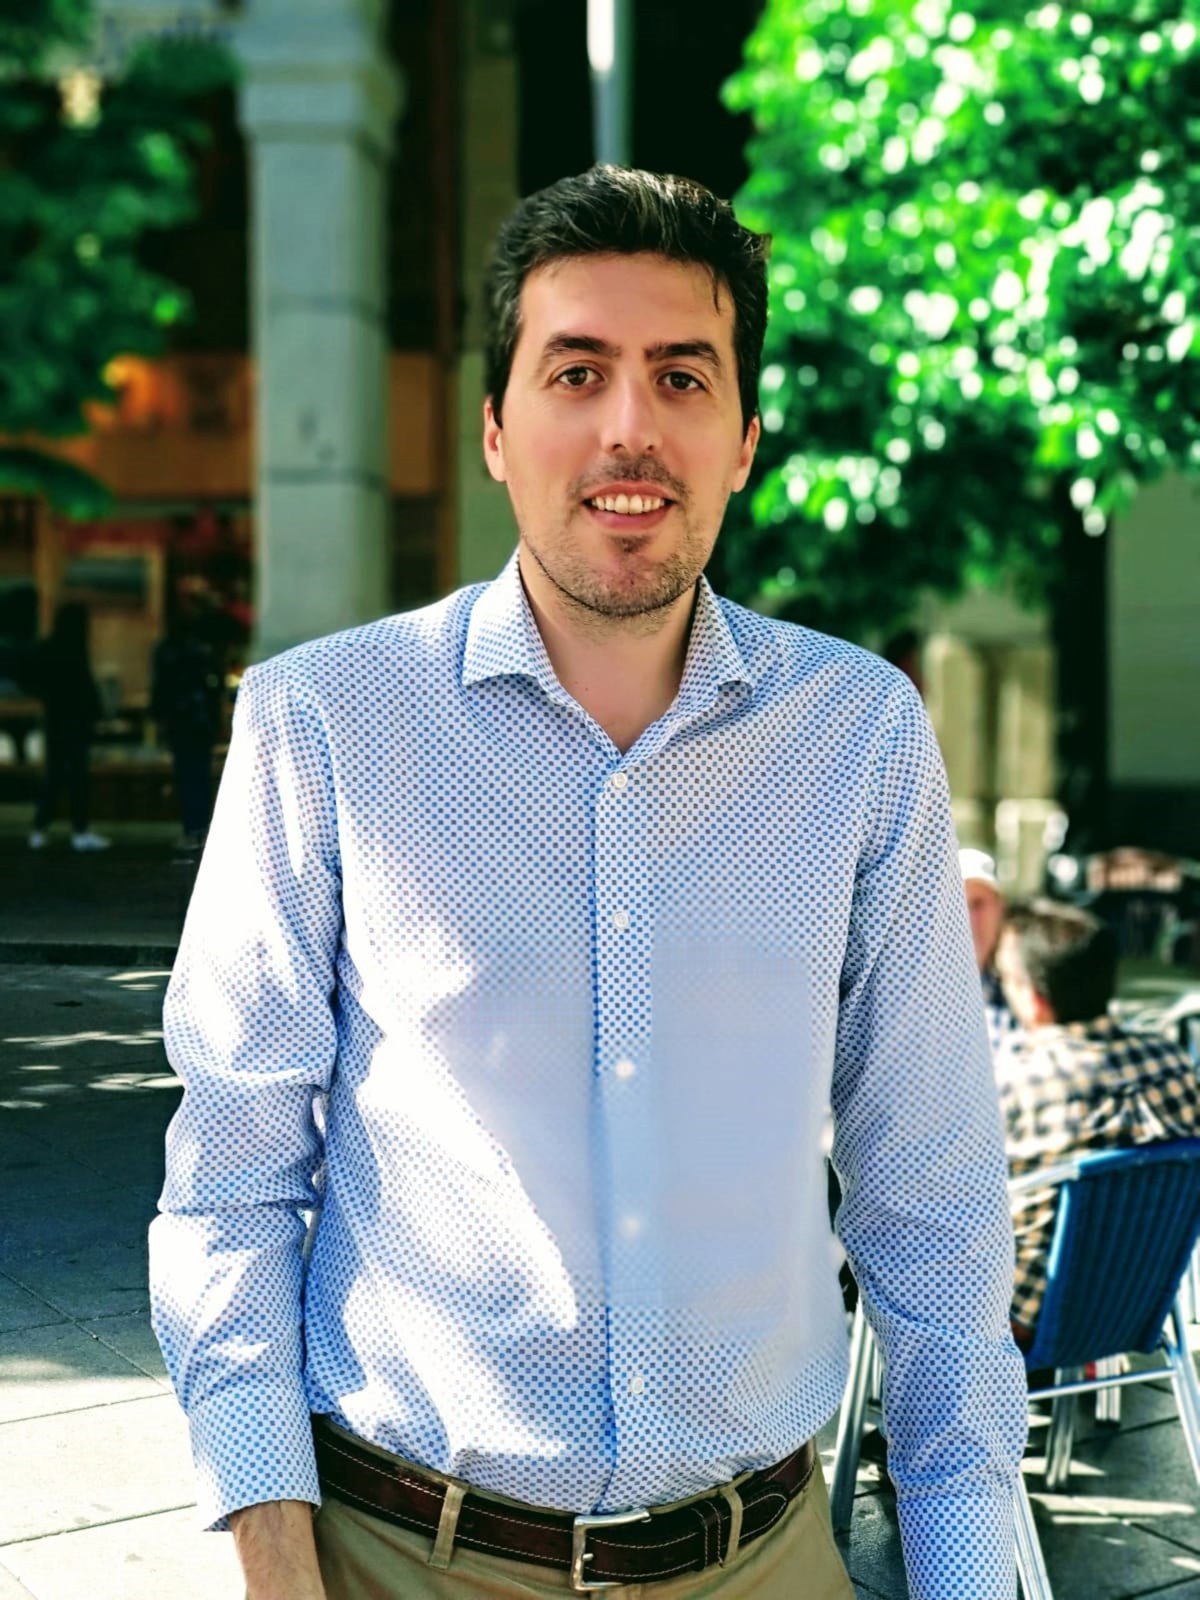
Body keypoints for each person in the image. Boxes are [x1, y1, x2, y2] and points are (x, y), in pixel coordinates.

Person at [150, 166, 1026, 1600]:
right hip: (403, 1558)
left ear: (745, 441)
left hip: (765, 1561)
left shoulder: (861, 737)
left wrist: (973, 1575)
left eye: (682, 376)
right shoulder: (326, 726)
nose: (631, 426)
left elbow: (932, 1203)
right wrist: (278, 1564)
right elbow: (230, 1186)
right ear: (497, 431)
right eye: (577, 372)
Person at [993, 900, 1200, 1343]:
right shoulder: (1173, 1063)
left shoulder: (1010, 1080)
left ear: (1033, 998)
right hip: (1138, 1307)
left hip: (1023, 1319)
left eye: (1005, 977)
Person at [28, 601, 109, 852]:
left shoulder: (48, 647)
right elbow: (85, 687)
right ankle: (79, 832)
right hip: (77, 721)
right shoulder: (75, 650)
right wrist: (97, 713)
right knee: (77, 777)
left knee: (54, 775)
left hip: (55, 720)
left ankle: (39, 829)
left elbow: (35, 681)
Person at [150, 597, 223, 849]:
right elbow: (214, 688)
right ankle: (201, 830)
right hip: (201, 721)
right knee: (200, 777)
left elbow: (161, 688)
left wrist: (158, 717)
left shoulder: (167, 651)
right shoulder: (204, 651)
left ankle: (192, 829)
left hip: (180, 721)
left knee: (187, 777)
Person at [960, 847, 1019, 1055]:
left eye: (978, 904)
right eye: (958, 905)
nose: (969, 918)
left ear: (1000, 907)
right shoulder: (925, 987)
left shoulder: (1025, 975)